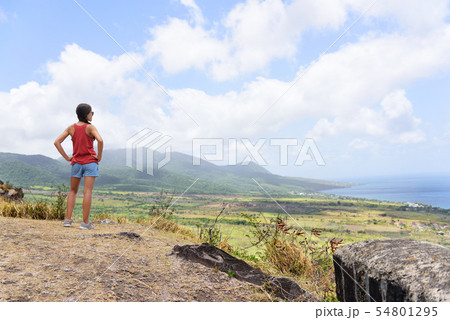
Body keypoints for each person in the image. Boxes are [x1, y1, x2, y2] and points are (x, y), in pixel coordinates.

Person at [54, 103, 103, 230]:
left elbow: (57, 142)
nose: (92, 115)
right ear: (86, 114)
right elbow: (100, 140)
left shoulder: (71, 128)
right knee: (87, 192)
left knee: (72, 191)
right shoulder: (90, 128)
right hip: (90, 162)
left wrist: (66, 157)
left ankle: (68, 220)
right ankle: (85, 223)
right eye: (91, 112)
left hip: (76, 163)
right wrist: (99, 156)